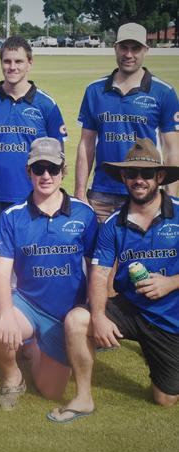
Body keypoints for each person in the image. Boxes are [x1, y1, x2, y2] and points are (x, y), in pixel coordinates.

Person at [49, 138, 179, 423]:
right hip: (130, 308)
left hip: (170, 318)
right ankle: (83, 398)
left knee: (165, 399)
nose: (139, 180)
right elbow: (99, 274)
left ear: (159, 176)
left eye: (146, 174)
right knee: (77, 319)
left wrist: (171, 283)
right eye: (132, 174)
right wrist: (97, 315)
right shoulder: (112, 224)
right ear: (123, 177)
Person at [0, 138, 98, 411]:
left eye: (52, 169)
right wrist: (6, 314)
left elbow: (96, 268)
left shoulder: (84, 214)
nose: (45, 175)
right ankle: (13, 377)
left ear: (63, 171)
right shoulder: (12, 216)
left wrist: (93, 312)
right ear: (28, 172)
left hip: (67, 314)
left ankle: (36, 346)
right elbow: (0, 271)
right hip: (28, 305)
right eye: (38, 168)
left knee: (50, 391)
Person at [0, 36, 67, 352]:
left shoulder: (46, 105)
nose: (12, 67)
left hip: (32, 198)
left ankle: (33, 327)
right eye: (7, 61)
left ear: (30, 63)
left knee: (30, 262)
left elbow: (56, 155)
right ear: (1, 63)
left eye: (18, 61)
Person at [74, 22, 179, 222]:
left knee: (139, 253)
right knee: (96, 253)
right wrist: (80, 192)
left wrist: (170, 198)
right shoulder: (94, 91)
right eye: (124, 47)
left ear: (146, 50)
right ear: (115, 48)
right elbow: (86, 144)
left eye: (135, 48)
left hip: (145, 194)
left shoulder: (164, 92)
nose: (128, 54)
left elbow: (172, 149)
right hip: (101, 195)